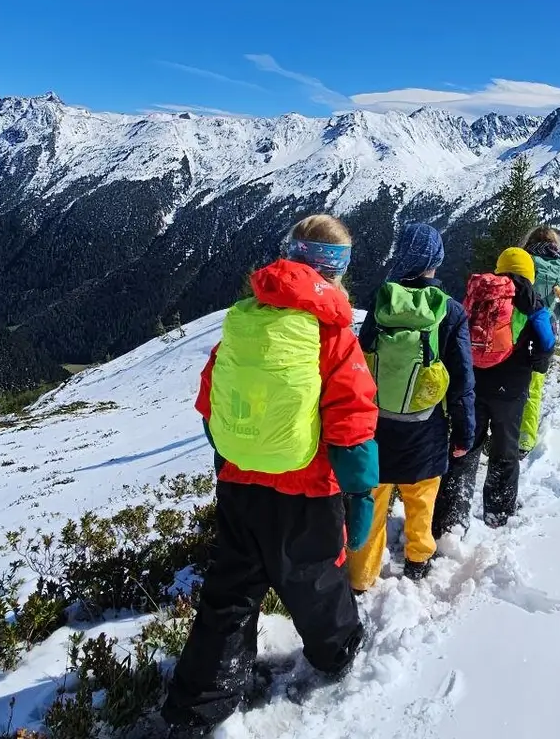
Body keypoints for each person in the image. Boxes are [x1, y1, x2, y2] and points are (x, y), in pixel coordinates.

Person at [162, 215, 380, 736]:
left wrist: (229, 463)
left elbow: (209, 401)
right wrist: (360, 495)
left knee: (230, 591)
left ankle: (200, 703)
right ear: (336, 273)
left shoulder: (243, 321)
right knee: (317, 581)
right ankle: (336, 653)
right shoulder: (332, 336)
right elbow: (351, 425)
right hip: (307, 494)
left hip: (240, 486)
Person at [349, 222, 475, 591]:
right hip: (426, 428)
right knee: (422, 499)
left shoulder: (381, 302)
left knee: (373, 500)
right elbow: (463, 378)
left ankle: (360, 576)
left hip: (377, 428)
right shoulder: (450, 312)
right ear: (435, 261)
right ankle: (418, 561)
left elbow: (360, 362)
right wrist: (465, 431)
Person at [432, 246, 555, 535]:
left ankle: (449, 520)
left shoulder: (479, 294)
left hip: (473, 384)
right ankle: (498, 514)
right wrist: (537, 361)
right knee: (504, 450)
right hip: (510, 390)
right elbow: (547, 343)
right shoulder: (532, 303)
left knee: (464, 447)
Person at [521, 226, 560, 451]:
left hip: (519, 330)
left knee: (511, 382)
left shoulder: (524, 262)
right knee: (534, 387)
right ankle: (525, 438)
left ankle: (501, 430)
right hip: (545, 335)